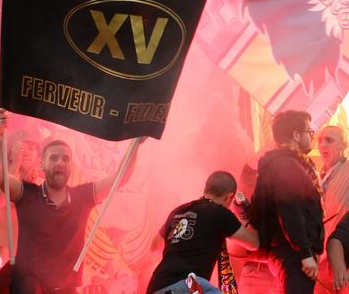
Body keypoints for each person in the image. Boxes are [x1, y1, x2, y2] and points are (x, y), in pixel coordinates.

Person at [0, 108, 142, 293]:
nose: (60, 162)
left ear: (71, 165)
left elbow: (120, 177)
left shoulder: (83, 196)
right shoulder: (28, 194)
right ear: (43, 165)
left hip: (65, 286)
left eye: (65, 159)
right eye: (54, 158)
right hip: (29, 283)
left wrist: (136, 144)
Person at [146, 171, 259, 294]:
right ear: (229, 197)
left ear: (206, 189)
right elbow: (254, 243)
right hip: (186, 285)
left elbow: (155, 247)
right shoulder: (219, 213)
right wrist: (244, 215)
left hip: (157, 286)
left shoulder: (179, 210)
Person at [250, 110, 324, 294]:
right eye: (309, 132)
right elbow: (290, 210)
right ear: (296, 135)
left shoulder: (283, 163)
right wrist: (305, 253)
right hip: (292, 254)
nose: (312, 138)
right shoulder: (286, 165)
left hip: (288, 252)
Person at [314, 125, 349, 294]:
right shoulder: (317, 176)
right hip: (321, 258)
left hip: (343, 254)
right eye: (320, 140)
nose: (323, 145)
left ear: (344, 145)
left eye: (330, 140)